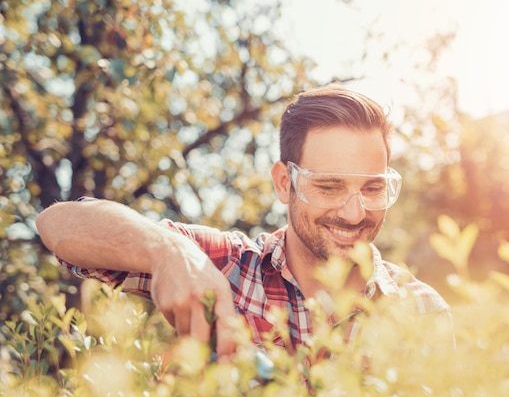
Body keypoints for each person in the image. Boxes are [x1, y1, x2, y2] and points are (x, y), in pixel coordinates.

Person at [36, 85, 452, 361]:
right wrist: (167, 251)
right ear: (284, 183)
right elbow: (58, 224)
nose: (354, 212)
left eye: (373, 189)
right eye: (328, 187)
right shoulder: (227, 266)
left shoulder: (422, 311)